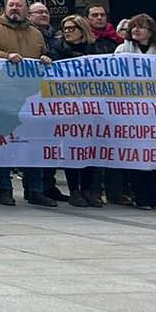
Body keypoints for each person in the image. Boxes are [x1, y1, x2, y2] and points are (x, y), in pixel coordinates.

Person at [0, 0, 55, 208]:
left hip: (31, 99)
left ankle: (35, 190)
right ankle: (6, 189)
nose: (15, 9)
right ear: (5, 8)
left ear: (26, 10)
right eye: (11, 5)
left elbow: (43, 57)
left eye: (19, 5)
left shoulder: (36, 34)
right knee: (5, 146)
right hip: (2, 99)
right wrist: (5, 56)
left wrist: (46, 59)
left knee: (34, 145)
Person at [114, 13, 156, 209]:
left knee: (152, 155)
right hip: (130, 110)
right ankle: (140, 195)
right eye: (134, 27)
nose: (136, 30)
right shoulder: (122, 50)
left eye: (142, 27)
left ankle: (153, 192)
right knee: (136, 155)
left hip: (153, 111)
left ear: (151, 32)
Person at [51, 14, 106, 207]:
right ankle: (75, 190)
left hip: (92, 107)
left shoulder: (97, 49)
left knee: (92, 149)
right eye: (64, 29)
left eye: (71, 28)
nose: (67, 32)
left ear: (82, 29)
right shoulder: (57, 49)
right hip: (69, 108)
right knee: (72, 149)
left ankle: (90, 190)